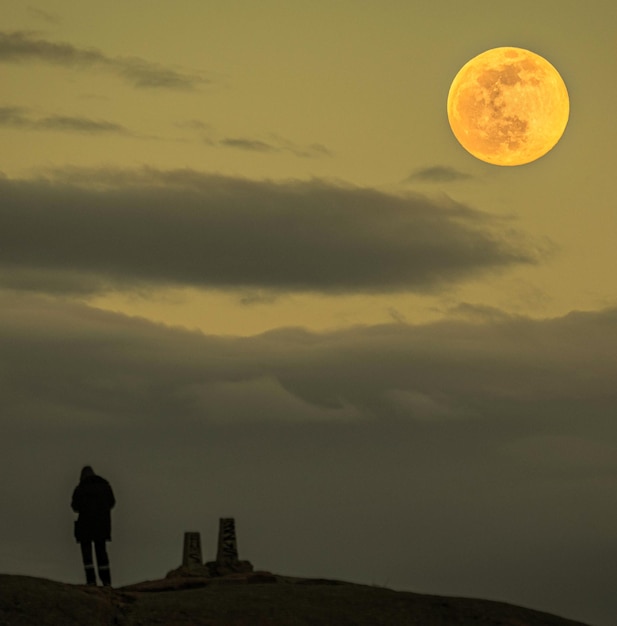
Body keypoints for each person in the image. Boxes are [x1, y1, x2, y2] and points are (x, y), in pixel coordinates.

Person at [71, 466, 116, 586]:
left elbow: (75, 506)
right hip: (102, 525)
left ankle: (91, 581)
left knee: (87, 555)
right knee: (101, 551)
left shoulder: (80, 488)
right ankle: (106, 581)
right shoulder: (105, 486)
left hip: (85, 525)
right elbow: (112, 502)